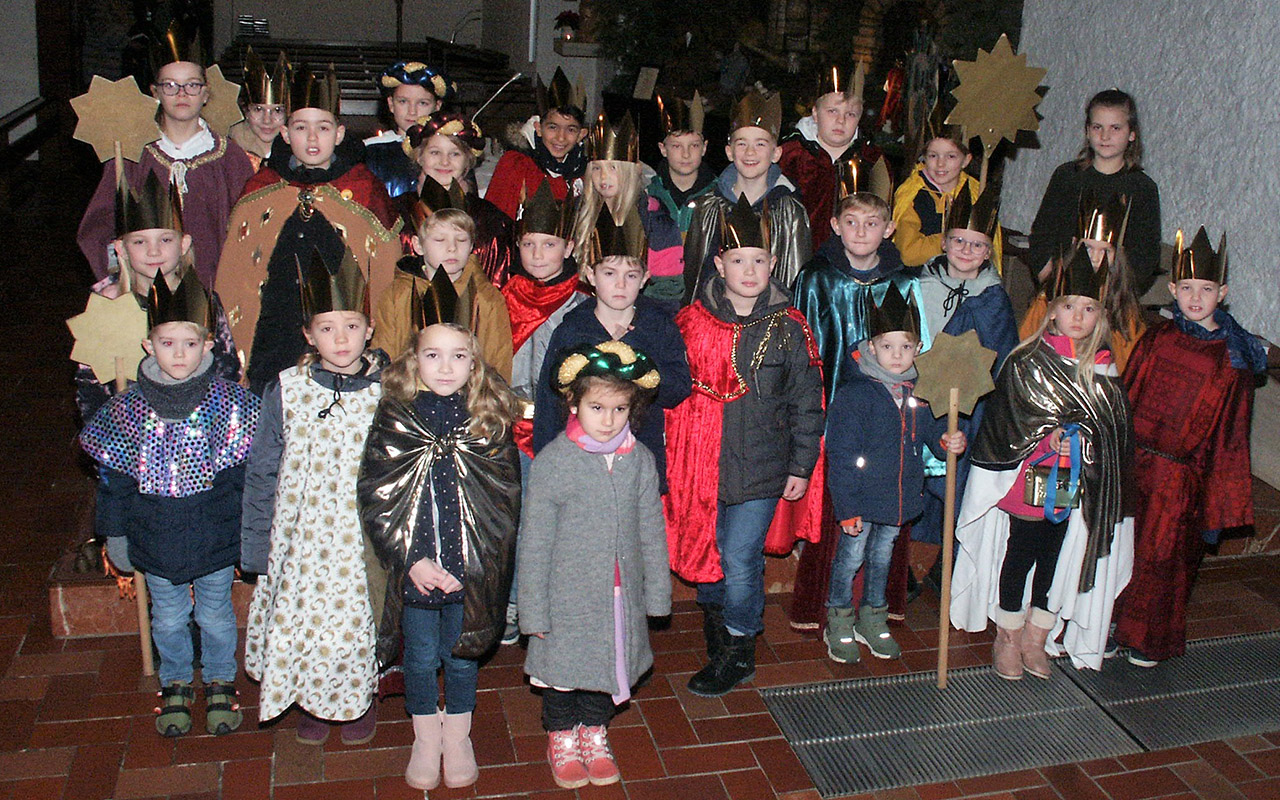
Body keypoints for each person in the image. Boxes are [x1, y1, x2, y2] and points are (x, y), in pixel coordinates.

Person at [80, 266, 259, 737]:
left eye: (190, 343)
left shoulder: (230, 404)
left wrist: (247, 533)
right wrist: (114, 532)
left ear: (207, 345)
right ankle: (176, 680)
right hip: (155, 535)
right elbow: (114, 481)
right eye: (166, 343)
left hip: (215, 534)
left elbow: (242, 478)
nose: (178, 354)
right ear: (148, 346)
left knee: (216, 613)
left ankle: (220, 678)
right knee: (170, 615)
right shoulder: (127, 409)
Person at [666, 197, 824, 696]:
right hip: (702, 464)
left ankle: (739, 647)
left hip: (762, 465)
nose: (749, 269)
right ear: (719, 265)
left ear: (773, 264)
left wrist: (801, 465)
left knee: (738, 555)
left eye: (759, 260)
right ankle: (720, 642)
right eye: (738, 260)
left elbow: (806, 401)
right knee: (711, 550)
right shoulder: (692, 322)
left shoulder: (788, 326)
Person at [950, 247, 1134, 675]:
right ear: (1052, 311)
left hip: (1073, 488)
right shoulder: (1026, 363)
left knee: (1054, 559)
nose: (1078, 316)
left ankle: (1038, 635)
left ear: (1099, 317)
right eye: (1069, 306)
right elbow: (1006, 425)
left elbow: (1112, 435)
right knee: (1021, 555)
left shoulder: (1104, 371)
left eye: (1088, 309)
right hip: (1025, 485)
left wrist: (1084, 444)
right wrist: (1045, 437)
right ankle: (1007, 635)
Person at [359, 322, 522, 791]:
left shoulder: (487, 419)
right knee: (421, 656)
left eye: (458, 356)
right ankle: (425, 737)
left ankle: (459, 736)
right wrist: (411, 559)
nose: (445, 367)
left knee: (461, 654)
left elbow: (504, 501)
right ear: (414, 360)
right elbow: (375, 492)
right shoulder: (396, 415)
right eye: (433, 355)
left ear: (475, 363)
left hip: (468, 570)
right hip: (415, 565)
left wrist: (471, 567)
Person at [241, 248, 385, 745]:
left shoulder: (388, 388)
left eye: (350, 325)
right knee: (306, 617)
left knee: (353, 619)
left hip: (361, 531)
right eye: (326, 327)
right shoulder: (287, 388)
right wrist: (255, 546)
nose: (340, 338)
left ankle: (355, 696)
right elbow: (263, 468)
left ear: (369, 328)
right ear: (308, 334)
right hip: (301, 534)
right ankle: (309, 695)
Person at [1112, 229, 1270, 667]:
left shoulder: (1232, 358)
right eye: (1186, 289)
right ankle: (1107, 623)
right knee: (1121, 547)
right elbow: (1128, 396)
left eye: (1205, 289)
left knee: (1163, 557)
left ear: (1223, 292)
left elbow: (1231, 433)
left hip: (1182, 475)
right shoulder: (1156, 339)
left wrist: (1217, 493)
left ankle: (1147, 637)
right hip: (1136, 462)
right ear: (1172, 290)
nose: (1195, 298)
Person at [519, 341, 671, 789]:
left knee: (608, 666)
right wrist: (533, 610)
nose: (608, 420)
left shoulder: (639, 460)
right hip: (567, 595)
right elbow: (535, 543)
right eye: (597, 407)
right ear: (574, 403)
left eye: (620, 409)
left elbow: (651, 531)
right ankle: (562, 736)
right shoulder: (554, 463)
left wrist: (657, 594)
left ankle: (594, 731)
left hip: (620, 592)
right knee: (563, 674)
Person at [787, 191, 928, 631]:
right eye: (852, 222)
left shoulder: (904, 282)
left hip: (890, 413)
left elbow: (917, 351)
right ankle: (829, 609)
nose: (862, 231)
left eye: (872, 223)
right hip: (834, 409)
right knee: (841, 515)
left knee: (885, 520)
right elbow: (803, 346)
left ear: (887, 228)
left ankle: (877, 609)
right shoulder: (816, 277)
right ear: (835, 225)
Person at [215, 63, 400, 395]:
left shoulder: (365, 191)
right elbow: (233, 275)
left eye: (324, 128)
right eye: (301, 128)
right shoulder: (260, 189)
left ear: (340, 133)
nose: (312, 139)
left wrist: (382, 348)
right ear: (285, 134)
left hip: (343, 349)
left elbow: (387, 279)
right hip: (272, 344)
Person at [823, 286, 965, 662]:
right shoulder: (855, 395)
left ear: (918, 348)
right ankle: (838, 620)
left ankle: (873, 618)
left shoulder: (920, 390)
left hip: (897, 496)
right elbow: (840, 455)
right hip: (861, 498)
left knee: (883, 558)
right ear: (871, 347)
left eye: (905, 346)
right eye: (888, 346)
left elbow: (930, 434)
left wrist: (947, 441)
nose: (897, 355)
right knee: (851, 557)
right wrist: (847, 507)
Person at [900, 185, 1019, 615]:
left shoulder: (994, 299)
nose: (966, 250)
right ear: (944, 242)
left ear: (989, 252)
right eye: (958, 241)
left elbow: (1002, 358)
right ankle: (903, 570)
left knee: (958, 487)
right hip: (916, 400)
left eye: (977, 244)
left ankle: (947, 569)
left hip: (971, 410)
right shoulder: (917, 286)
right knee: (907, 484)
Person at [78, 22, 254, 288]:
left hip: (213, 288)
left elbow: (249, 229)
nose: (182, 93)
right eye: (170, 85)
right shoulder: (131, 155)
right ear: (155, 92)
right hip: (144, 289)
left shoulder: (229, 157)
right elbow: (99, 225)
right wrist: (114, 280)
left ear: (206, 93)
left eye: (192, 85)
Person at [533, 213, 691, 494]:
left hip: (639, 463)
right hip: (579, 466)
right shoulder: (572, 330)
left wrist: (634, 356)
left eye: (631, 275)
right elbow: (549, 402)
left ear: (645, 278)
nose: (621, 285)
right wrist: (547, 466)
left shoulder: (658, 326)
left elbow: (679, 387)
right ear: (591, 275)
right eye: (609, 273)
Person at [75, 166, 240, 423]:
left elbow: (226, 371)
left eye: (165, 240)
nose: (154, 252)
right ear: (121, 248)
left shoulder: (203, 302)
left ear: (184, 244)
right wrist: (112, 432)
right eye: (140, 242)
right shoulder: (106, 305)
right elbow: (89, 385)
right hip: (129, 438)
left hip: (193, 433)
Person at [1028, 89, 1161, 296]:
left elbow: (1145, 256)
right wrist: (1050, 280)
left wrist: (1117, 292)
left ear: (1132, 133)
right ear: (1087, 131)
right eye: (1098, 127)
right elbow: (1042, 233)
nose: (1105, 136)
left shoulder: (1142, 189)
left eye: (1115, 128)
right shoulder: (1067, 177)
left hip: (1112, 296)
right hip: (1061, 291)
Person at [684, 88, 811, 302]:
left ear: (776, 153)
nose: (750, 153)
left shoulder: (789, 210)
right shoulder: (708, 207)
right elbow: (696, 276)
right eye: (742, 143)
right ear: (729, 151)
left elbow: (795, 277)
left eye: (760, 144)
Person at [370, 192, 513, 378]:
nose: (452, 248)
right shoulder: (397, 295)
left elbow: (498, 362)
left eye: (461, 240)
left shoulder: (488, 299)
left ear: (471, 246)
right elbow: (385, 355)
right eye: (439, 240)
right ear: (418, 245)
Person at [1019, 192, 1145, 371]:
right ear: (1075, 244)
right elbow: (1025, 347)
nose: (1095, 258)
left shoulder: (1125, 311)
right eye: (1088, 248)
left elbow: (1130, 368)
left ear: (1117, 254)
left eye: (1105, 251)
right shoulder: (1047, 298)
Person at [572, 111, 685, 307]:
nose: (603, 177)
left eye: (613, 168)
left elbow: (668, 290)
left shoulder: (656, 222)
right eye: (597, 168)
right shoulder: (579, 214)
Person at [778, 63, 890, 251]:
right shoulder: (790, 155)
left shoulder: (872, 160)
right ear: (815, 113)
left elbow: (882, 219)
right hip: (795, 256)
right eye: (832, 111)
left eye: (851, 114)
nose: (841, 120)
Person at [400, 111, 514, 286]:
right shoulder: (396, 214)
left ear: (467, 161)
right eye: (435, 152)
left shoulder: (491, 221)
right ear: (419, 157)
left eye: (455, 154)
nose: (444, 162)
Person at [892, 113, 1002, 268]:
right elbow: (909, 253)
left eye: (951, 156)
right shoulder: (914, 195)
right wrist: (955, 240)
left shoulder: (977, 193)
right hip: (923, 281)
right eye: (933, 156)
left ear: (966, 160)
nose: (940, 164)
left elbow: (990, 251)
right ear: (924, 157)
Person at [486, 68, 588, 220]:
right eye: (552, 127)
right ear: (538, 128)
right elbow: (494, 221)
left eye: (571, 130)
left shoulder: (585, 171)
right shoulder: (516, 165)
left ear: (581, 135)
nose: (561, 138)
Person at [364, 61, 455, 198]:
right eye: (403, 101)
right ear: (391, 104)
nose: (412, 112)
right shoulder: (370, 151)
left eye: (422, 103)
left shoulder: (452, 151)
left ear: (437, 106)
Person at [647, 92, 716, 235]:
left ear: (704, 148)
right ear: (663, 149)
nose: (686, 154)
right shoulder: (649, 194)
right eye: (677, 146)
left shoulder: (718, 196)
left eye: (694, 146)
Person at [227, 47, 290, 172]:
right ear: (245, 110)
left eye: (277, 110)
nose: (267, 120)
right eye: (258, 109)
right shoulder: (229, 153)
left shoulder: (298, 152)